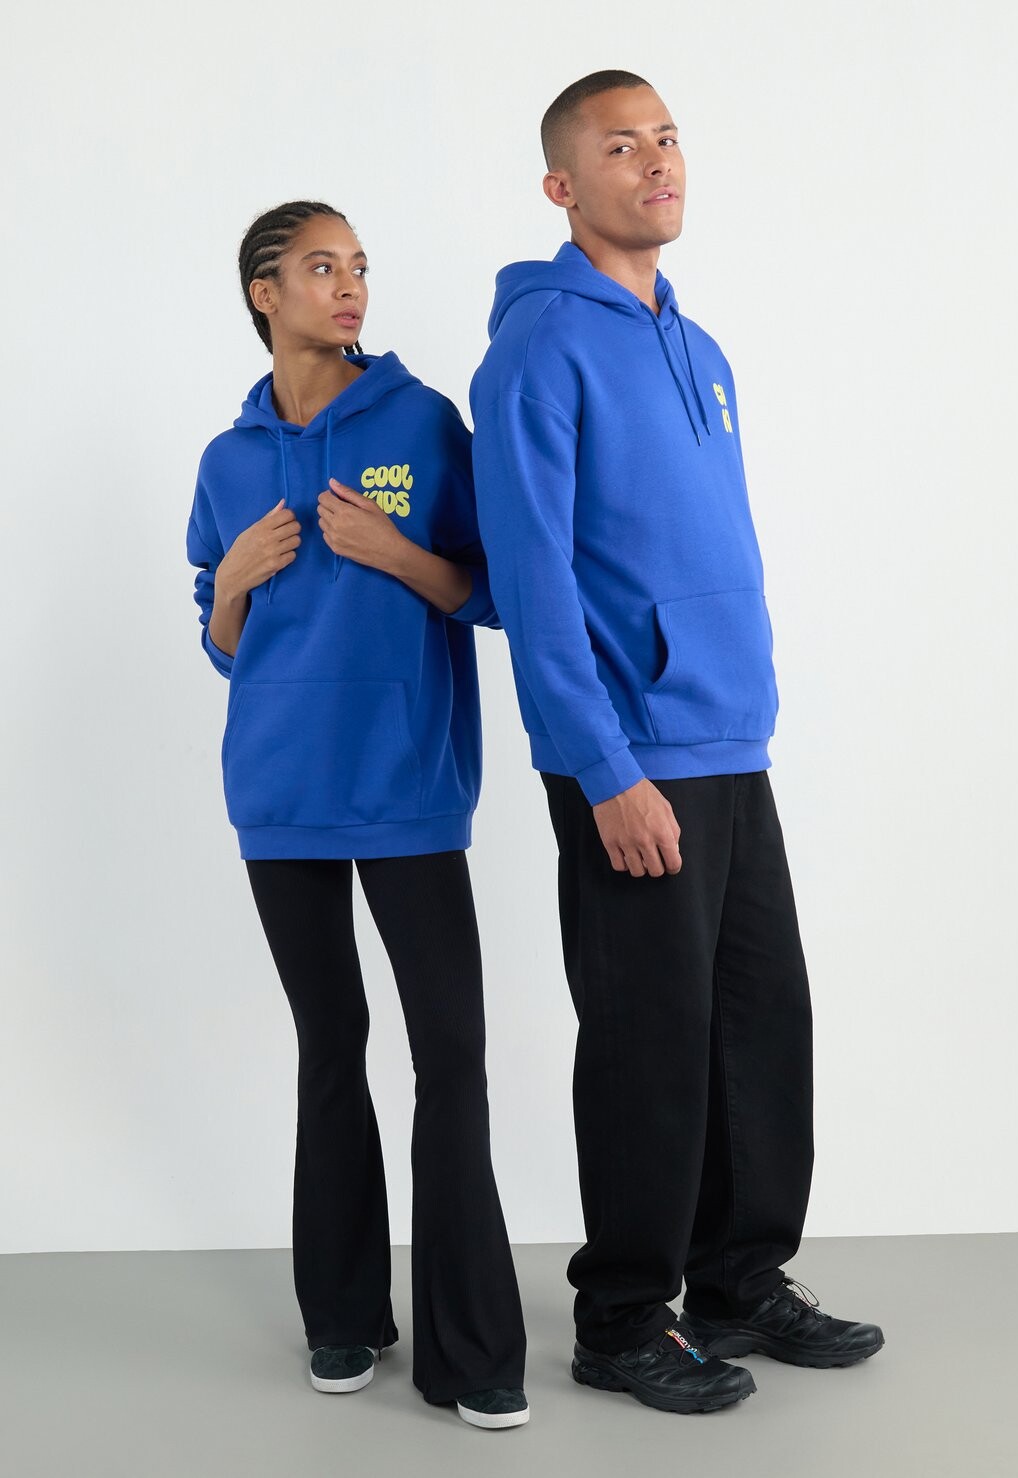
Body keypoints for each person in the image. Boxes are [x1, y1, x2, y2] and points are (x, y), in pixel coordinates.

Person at [469, 73, 883, 1416]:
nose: (656, 162)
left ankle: (739, 1279)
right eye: (619, 145)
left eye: (666, 138)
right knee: (649, 1037)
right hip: (631, 749)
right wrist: (604, 769)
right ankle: (621, 1316)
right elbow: (532, 578)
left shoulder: (700, 350)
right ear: (561, 186)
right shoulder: (539, 349)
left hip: (727, 737)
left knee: (759, 1020)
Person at [186, 200, 528, 1429]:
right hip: (279, 794)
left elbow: (492, 591)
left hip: (406, 789)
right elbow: (225, 645)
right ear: (263, 293)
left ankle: (472, 1350)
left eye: (360, 266)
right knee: (329, 1045)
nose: (350, 286)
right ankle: (340, 1314)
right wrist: (230, 585)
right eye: (321, 267)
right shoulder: (227, 459)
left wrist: (394, 553)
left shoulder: (421, 422)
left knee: (451, 1056)